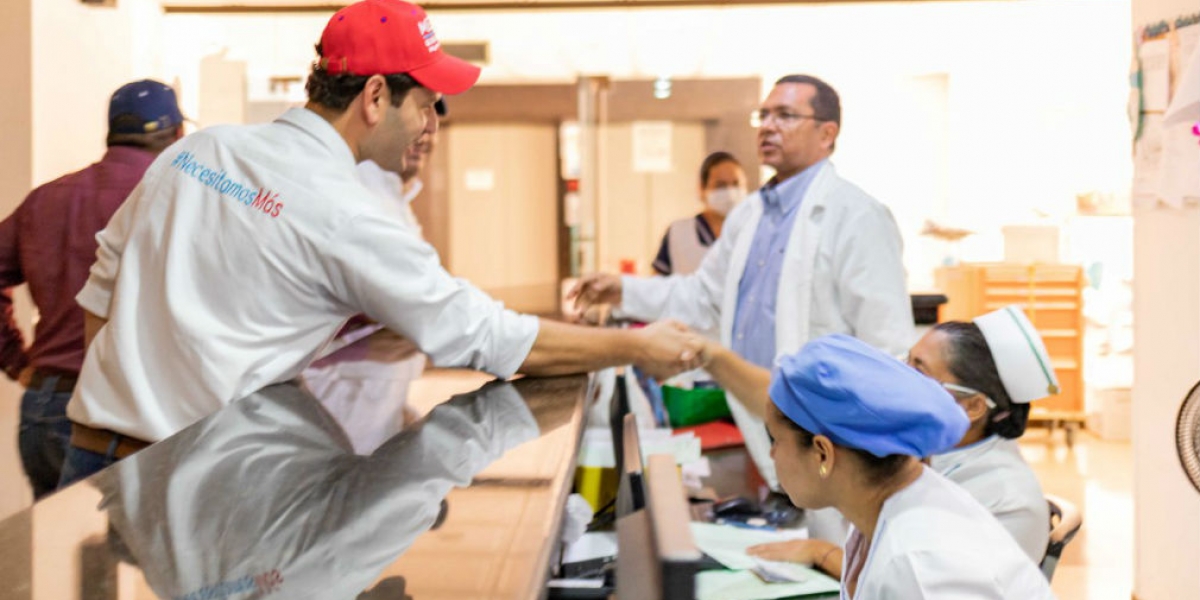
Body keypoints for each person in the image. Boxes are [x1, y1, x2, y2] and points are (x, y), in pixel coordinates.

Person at [59, 0, 701, 487]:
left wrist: (123, 404)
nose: (427, 124)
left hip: (88, 457)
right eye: (424, 103)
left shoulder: (200, 151)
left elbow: (103, 285)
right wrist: (636, 345)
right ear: (374, 97)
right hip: (188, 475)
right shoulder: (347, 215)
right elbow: (486, 335)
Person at [570, 74, 913, 505]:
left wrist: (879, 455)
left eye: (786, 115)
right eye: (764, 115)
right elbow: (700, 298)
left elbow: (888, 346)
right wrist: (622, 290)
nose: (768, 125)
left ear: (828, 133)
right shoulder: (749, 216)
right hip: (764, 423)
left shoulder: (857, 216)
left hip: (836, 440)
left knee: (840, 552)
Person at [719, 334, 1054, 598]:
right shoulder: (882, 509)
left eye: (775, 439)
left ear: (822, 453)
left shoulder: (917, 564)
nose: (773, 455)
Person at [0, 80, 184, 499]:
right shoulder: (176, 201)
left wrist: (16, 360)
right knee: (142, 555)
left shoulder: (47, 198)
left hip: (47, 403)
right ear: (177, 136)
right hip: (132, 413)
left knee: (51, 556)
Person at [303, 100, 446, 454]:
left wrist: (396, 413)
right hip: (334, 413)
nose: (428, 130)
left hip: (369, 411)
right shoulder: (358, 198)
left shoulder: (398, 198)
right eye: (418, 111)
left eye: (435, 115)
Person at [651, 151, 747, 276]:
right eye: (720, 185)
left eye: (736, 184)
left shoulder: (753, 231)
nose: (729, 193)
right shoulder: (679, 232)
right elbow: (657, 282)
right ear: (702, 188)